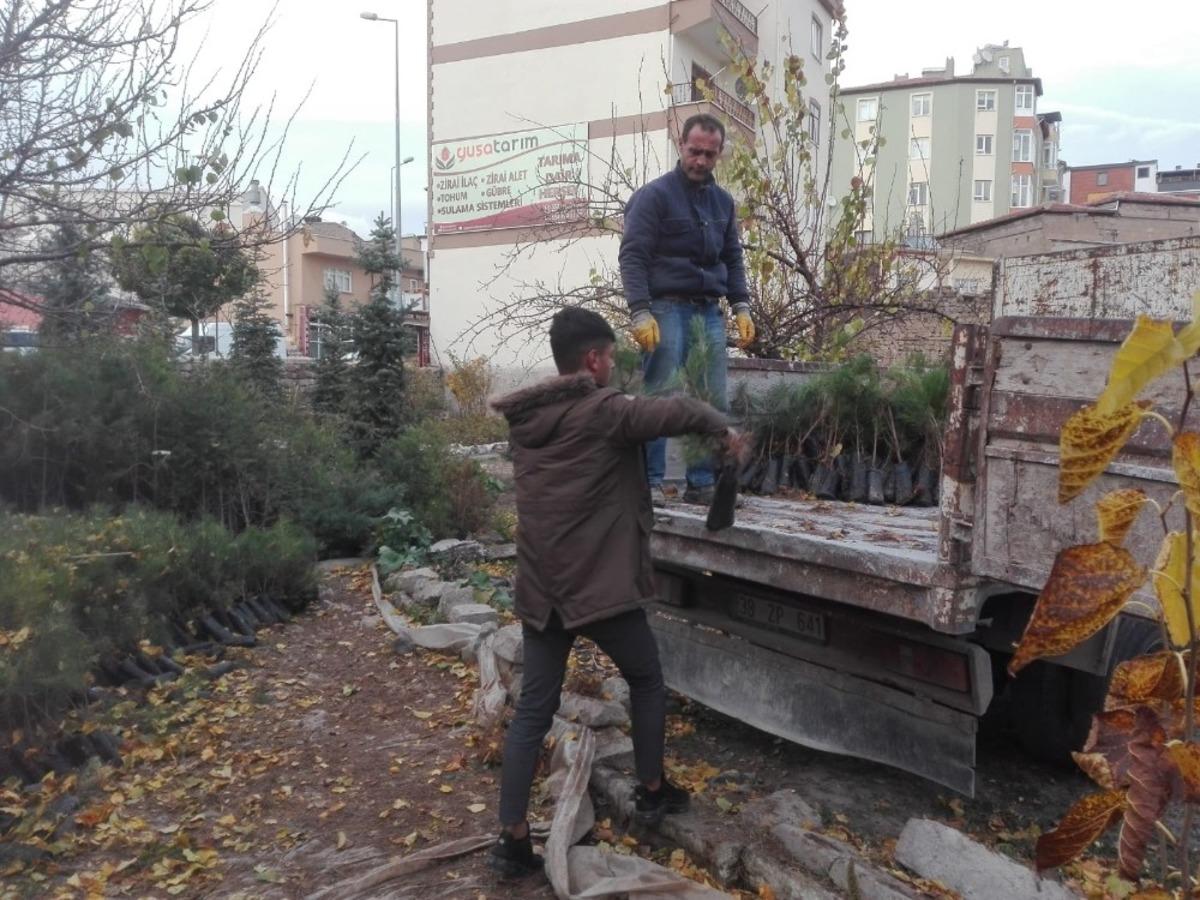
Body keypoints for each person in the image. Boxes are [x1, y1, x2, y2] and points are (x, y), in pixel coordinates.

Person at [487, 306, 738, 878]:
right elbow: (670, 411)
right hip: (597, 585)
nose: (614, 367)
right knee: (647, 677)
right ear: (593, 360)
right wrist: (721, 425)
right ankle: (651, 789)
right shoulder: (604, 410)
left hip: (542, 589)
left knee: (533, 709)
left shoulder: (529, 422)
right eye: (610, 358)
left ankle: (511, 841)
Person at [618, 112, 755, 505]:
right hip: (665, 308)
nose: (700, 161)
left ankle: (703, 484)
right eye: (694, 152)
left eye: (709, 155)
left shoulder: (723, 203)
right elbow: (633, 257)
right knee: (661, 397)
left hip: (709, 312)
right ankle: (650, 483)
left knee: (711, 401)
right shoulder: (654, 197)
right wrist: (640, 311)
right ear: (681, 146)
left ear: (719, 155)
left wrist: (741, 306)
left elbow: (732, 258)